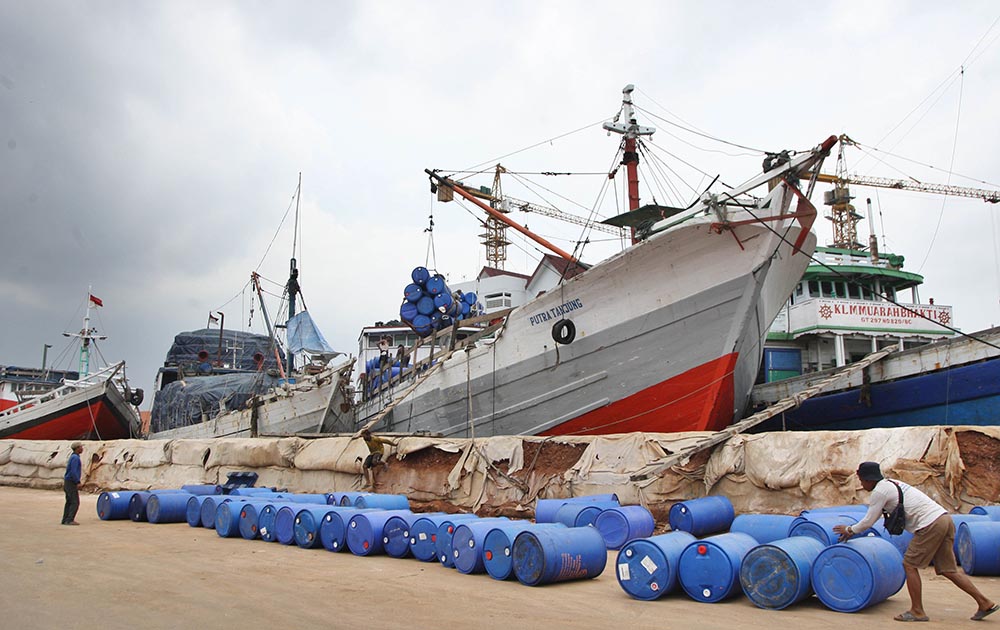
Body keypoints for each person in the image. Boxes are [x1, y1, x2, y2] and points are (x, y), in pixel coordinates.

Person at [833, 461, 998, 622]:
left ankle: (917, 611)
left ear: (868, 479)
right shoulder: (891, 483)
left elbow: (869, 521)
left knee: (910, 565)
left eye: (861, 481)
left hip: (930, 525)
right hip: (944, 519)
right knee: (949, 570)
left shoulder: (880, 492)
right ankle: (984, 602)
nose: (862, 484)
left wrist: (849, 530)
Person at [61, 442, 84, 525]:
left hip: (68, 482)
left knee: (69, 501)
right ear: (77, 448)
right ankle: (70, 519)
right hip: (71, 482)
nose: (82, 448)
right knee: (75, 502)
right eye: (81, 447)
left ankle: (65, 519)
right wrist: (77, 482)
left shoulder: (73, 457)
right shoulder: (75, 458)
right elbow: (73, 471)